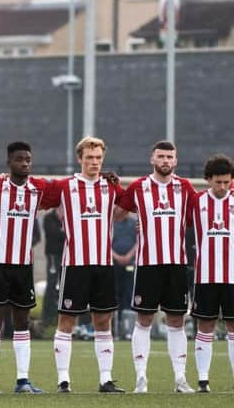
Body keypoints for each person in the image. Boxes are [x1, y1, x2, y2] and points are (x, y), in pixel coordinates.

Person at [41, 136, 125, 393]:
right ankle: (63, 380)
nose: (94, 162)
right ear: (80, 159)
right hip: (74, 264)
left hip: (102, 264)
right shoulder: (66, 186)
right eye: (89, 157)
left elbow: (122, 211)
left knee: (103, 321)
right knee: (67, 321)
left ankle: (105, 379)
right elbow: (42, 202)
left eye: (99, 158)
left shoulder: (111, 186)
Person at [115, 140, 196, 393]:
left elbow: (199, 214)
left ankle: (180, 379)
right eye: (160, 156)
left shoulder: (185, 187)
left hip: (175, 264)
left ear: (176, 160)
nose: (165, 161)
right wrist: (137, 220)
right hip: (148, 264)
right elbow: (119, 212)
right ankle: (141, 378)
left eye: (169, 157)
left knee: (176, 320)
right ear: (152, 159)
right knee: (144, 318)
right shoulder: (139, 187)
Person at [0, 141, 48, 394]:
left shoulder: (38, 188)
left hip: (24, 266)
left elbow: (62, 191)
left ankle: (22, 380)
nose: (25, 163)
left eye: (28, 159)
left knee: (23, 320)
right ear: (9, 162)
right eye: (20, 159)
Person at [189, 154, 234, 393]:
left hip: (233, 276)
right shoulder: (196, 202)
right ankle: (203, 380)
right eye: (218, 182)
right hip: (205, 275)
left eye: (227, 182)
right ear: (208, 180)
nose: (223, 186)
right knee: (205, 325)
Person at [112, 213, 137, 340]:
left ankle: (127, 328)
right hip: (113, 263)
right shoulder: (110, 222)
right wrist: (116, 257)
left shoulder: (134, 223)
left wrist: (129, 256)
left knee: (128, 293)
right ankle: (115, 328)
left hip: (130, 263)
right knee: (114, 294)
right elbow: (104, 241)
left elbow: (138, 241)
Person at [42, 208, 65, 327]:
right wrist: (64, 233)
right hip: (53, 256)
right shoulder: (49, 218)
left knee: (64, 285)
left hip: (65, 255)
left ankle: (62, 316)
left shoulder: (67, 217)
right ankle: (47, 318)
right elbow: (53, 234)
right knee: (51, 284)